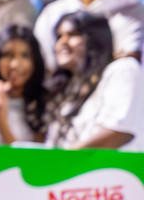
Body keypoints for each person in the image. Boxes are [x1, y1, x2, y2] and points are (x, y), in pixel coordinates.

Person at [45, 11, 144, 152]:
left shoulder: (122, 70)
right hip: (70, 171)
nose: (63, 42)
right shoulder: (68, 88)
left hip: (113, 171)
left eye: (72, 34)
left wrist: (62, 164)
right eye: (59, 36)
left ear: (96, 38)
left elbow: (119, 132)